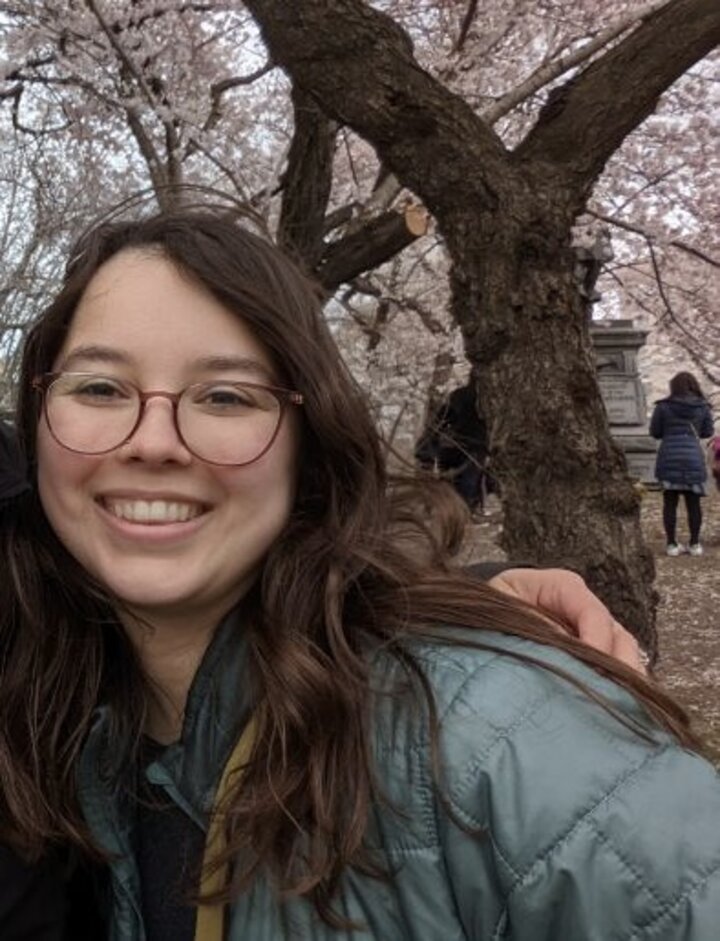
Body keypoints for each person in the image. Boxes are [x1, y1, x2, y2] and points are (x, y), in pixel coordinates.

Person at [1, 206, 718, 941]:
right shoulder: (81, 735)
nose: (153, 442)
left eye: (225, 396)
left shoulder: (497, 740)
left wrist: (465, 629)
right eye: (99, 389)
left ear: (308, 445)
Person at [650, 371, 714, 556]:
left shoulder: (663, 407)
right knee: (693, 503)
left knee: (670, 502)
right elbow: (707, 432)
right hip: (693, 457)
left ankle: (671, 544)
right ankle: (694, 544)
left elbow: (655, 432)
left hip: (669, 455)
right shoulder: (702, 407)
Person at [415, 380, 494, 514]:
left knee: (454, 485)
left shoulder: (459, 395)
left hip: (455, 448)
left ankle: (453, 512)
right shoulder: (488, 398)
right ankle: (458, 514)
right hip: (467, 449)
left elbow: (441, 419)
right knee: (464, 486)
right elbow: (441, 420)